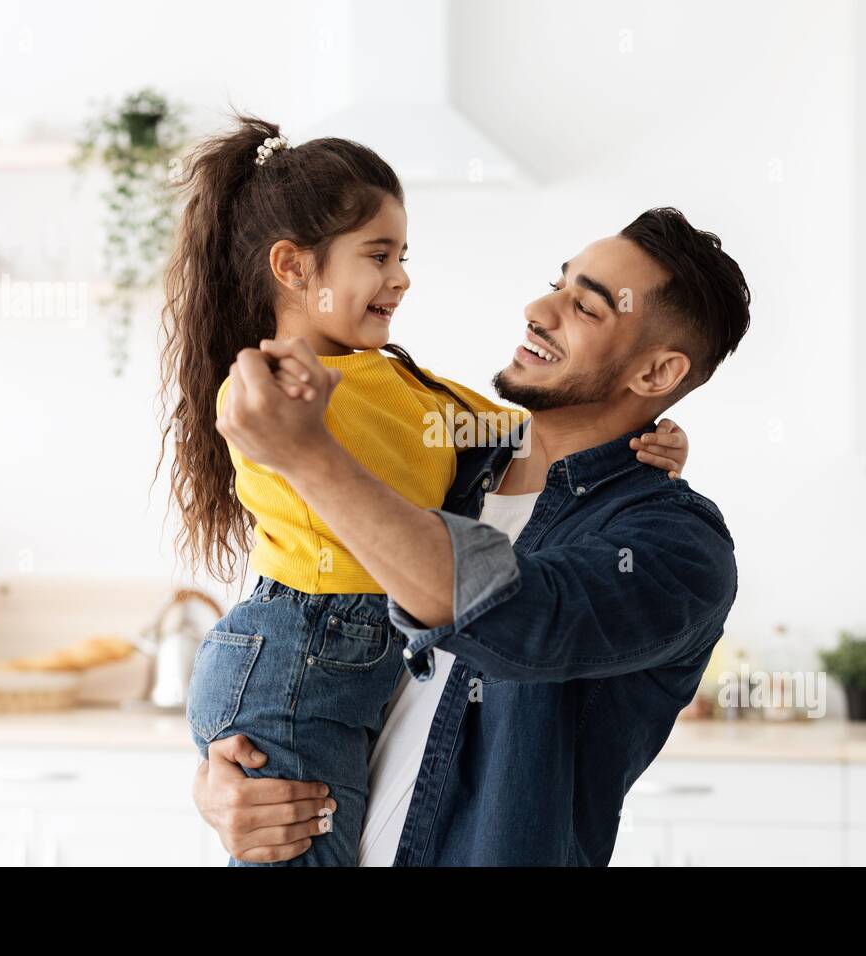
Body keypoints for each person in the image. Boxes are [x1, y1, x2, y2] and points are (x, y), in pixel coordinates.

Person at [156, 114, 689, 865]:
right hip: (298, 648)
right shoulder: (274, 385)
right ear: (293, 266)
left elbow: (512, 440)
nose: (401, 277)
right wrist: (216, 782)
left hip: (339, 654)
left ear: (658, 372)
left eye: (586, 304)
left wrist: (652, 439)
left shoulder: (662, 541)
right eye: (378, 255)